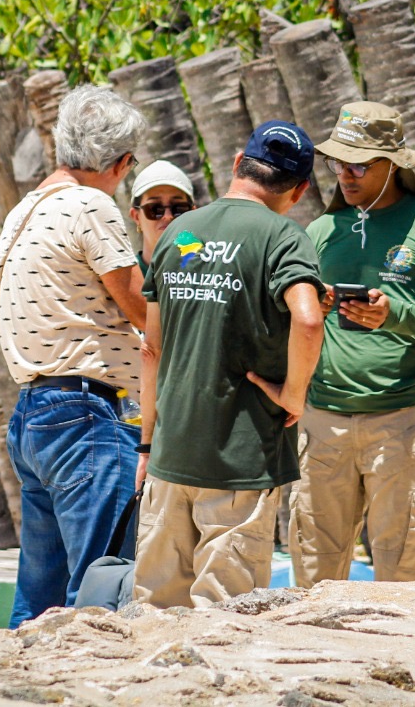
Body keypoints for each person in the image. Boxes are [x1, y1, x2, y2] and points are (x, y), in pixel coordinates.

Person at [134, 121, 326, 608]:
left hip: (170, 455)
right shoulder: (284, 236)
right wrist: (294, 395)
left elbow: (150, 349)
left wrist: (147, 446)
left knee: (154, 614)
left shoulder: (177, 231)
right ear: (300, 189)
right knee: (224, 617)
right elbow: (307, 321)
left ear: (238, 163)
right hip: (242, 460)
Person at [0, 84, 148, 626]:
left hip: (35, 414)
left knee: (40, 593)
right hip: (86, 418)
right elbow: (142, 310)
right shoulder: (90, 205)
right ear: (121, 161)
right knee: (100, 584)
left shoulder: (22, 213)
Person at [291, 102, 415, 586]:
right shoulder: (320, 231)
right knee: (313, 580)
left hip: (403, 425)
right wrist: (313, 311)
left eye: (359, 164)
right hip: (322, 423)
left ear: (395, 165)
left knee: (401, 576)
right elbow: (285, 323)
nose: (345, 174)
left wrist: (395, 315)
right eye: (337, 162)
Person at [127, 159, 197, 271]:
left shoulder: (217, 274)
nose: (168, 216)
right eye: (155, 209)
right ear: (136, 217)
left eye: (178, 208)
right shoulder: (122, 282)